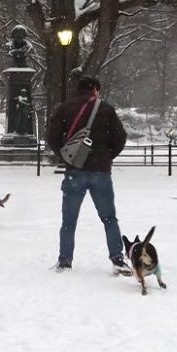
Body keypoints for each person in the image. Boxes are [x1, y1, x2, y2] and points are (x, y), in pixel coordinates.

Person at [45, 76, 128, 272]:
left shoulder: (64, 108)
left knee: (69, 220)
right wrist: (107, 155)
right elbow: (120, 137)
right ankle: (117, 258)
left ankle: (65, 260)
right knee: (109, 218)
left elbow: (52, 136)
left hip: (75, 171)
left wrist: (66, 156)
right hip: (101, 171)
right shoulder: (105, 108)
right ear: (95, 90)